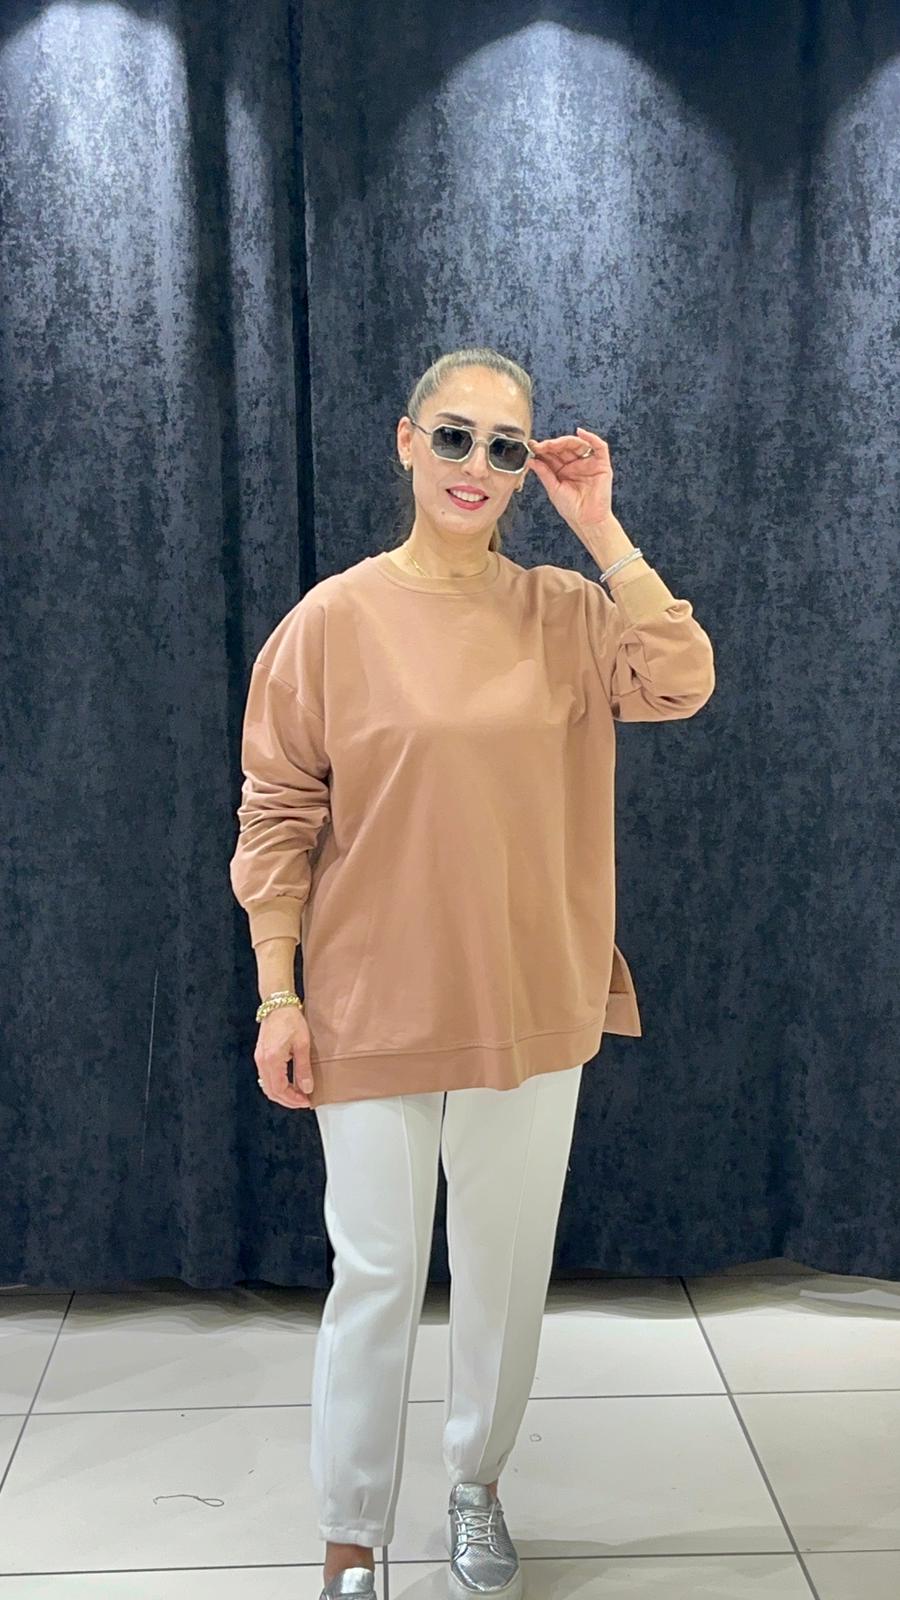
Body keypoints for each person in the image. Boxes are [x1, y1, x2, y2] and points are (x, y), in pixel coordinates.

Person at [229, 347, 716, 1600]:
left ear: (524, 468)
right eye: (454, 437)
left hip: (529, 995)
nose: (477, 466)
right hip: (369, 1001)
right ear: (407, 442)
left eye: (505, 448)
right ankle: (350, 1536)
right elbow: (277, 817)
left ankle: (474, 1485)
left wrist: (601, 529)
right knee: (377, 1273)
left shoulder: (567, 613)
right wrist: (279, 992)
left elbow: (681, 677)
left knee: (502, 1270)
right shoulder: (331, 623)